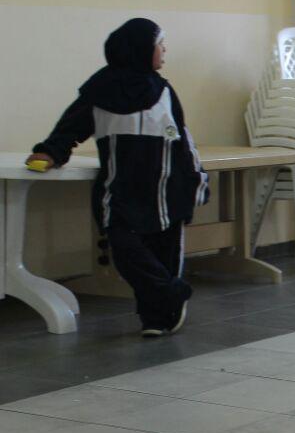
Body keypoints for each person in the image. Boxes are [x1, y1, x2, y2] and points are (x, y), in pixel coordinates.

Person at [27, 18, 208, 336]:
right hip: (120, 190)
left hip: (166, 189)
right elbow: (70, 127)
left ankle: (157, 318)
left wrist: (197, 179)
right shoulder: (100, 91)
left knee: (163, 254)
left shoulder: (164, 91)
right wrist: (50, 152)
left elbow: (183, 140)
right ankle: (171, 293)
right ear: (139, 48)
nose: (165, 50)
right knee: (125, 251)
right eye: (160, 44)